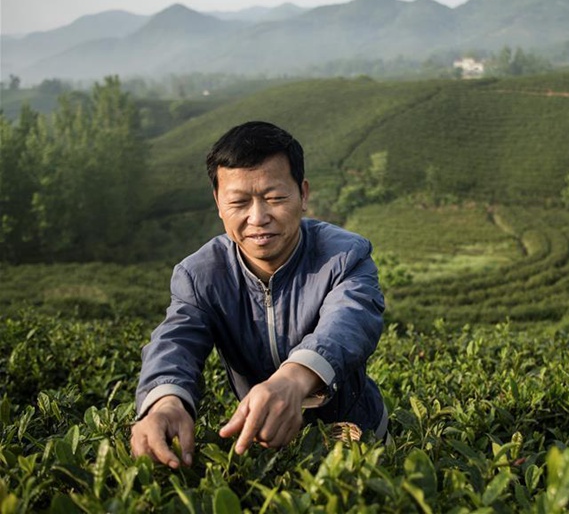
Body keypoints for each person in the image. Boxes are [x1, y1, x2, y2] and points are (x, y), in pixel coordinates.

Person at [131, 121, 388, 469]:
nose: (258, 217)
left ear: (304, 194)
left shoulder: (344, 255)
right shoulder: (200, 275)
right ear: (219, 204)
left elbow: (350, 322)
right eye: (239, 202)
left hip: (357, 440)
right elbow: (176, 340)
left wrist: (294, 378)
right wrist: (166, 401)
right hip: (262, 450)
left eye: (275, 198)